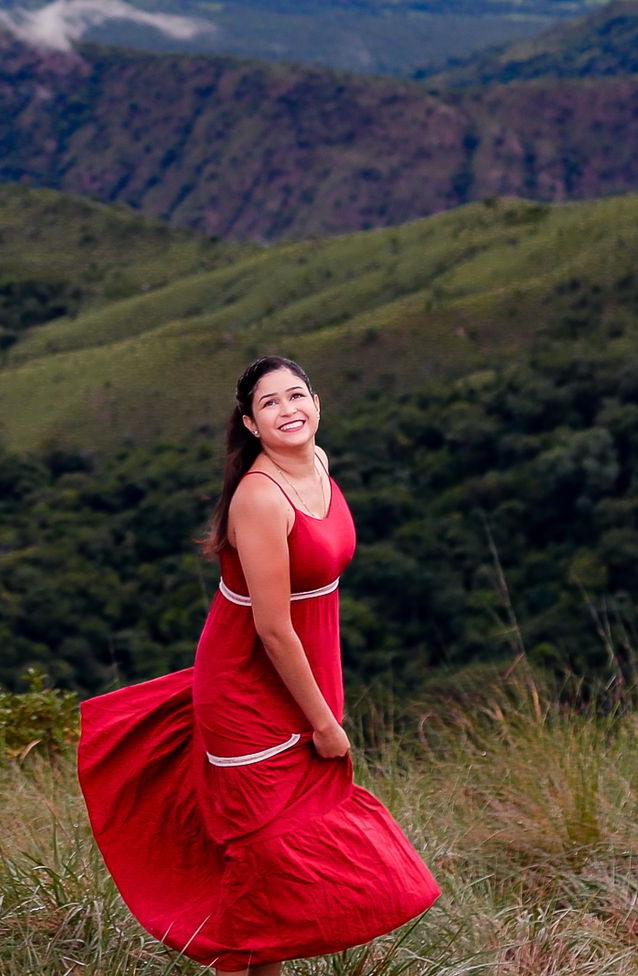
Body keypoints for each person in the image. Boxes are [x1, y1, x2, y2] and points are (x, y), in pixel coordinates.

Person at [78, 356, 437, 974]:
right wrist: (323, 722)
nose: (288, 409)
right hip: (251, 684)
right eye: (269, 404)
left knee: (282, 868)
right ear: (250, 423)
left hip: (306, 671)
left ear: (318, 405)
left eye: (296, 395)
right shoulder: (259, 499)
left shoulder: (318, 466)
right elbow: (272, 628)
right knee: (265, 852)